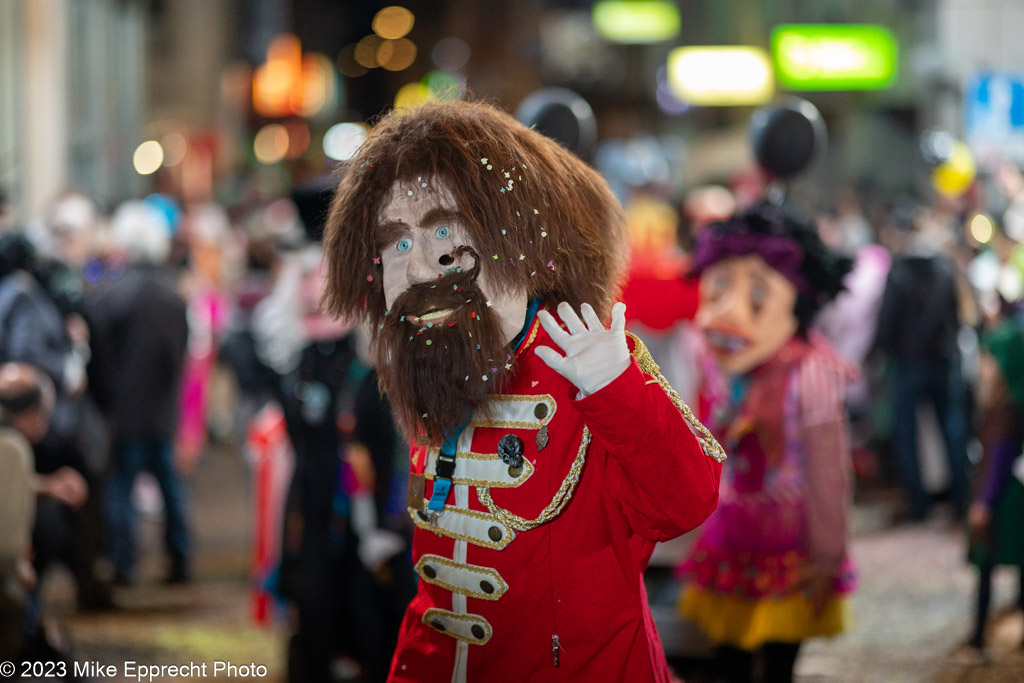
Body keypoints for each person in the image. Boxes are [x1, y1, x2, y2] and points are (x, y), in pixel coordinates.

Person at [320, 100, 725, 682]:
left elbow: (686, 503)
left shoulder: (586, 363)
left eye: (442, 229)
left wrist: (617, 388)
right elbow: (441, 592)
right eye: (398, 244)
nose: (418, 269)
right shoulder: (428, 368)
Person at [675, 202, 856, 683]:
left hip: (790, 548)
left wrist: (827, 555)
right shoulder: (724, 369)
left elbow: (827, 470)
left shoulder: (811, 373)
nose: (727, 313)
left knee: (777, 667)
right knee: (727, 660)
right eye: (717, 290)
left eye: (758, 299)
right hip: (732, 540)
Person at [88, 201, 191, 585]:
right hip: (161, 410)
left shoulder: (110, 295)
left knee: (123, 491)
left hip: (124, 412)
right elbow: (180, 354)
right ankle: (180, 560)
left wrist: (107, 397)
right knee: (170, 487)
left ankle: (124, 564)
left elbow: (99, 358)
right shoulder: (171, 295)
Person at [874, 207, 972, 521]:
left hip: (909, 364)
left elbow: (887, 322)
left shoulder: (899, 272)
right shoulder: (945, 269)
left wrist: (887, 352)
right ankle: (960, 500)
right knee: (952, 432)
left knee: (908, 435)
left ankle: (919, 504)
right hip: (944, 361)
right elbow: (958, 316)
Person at [962, 306, 1024, 658]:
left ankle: (978, 636)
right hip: (1000, 494)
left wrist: (984, 502)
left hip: (1002, 500)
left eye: (988, 359)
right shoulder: (1002, 401)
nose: (983, 366)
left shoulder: (1005, 407)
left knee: (988, 564)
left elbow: (999, 458)